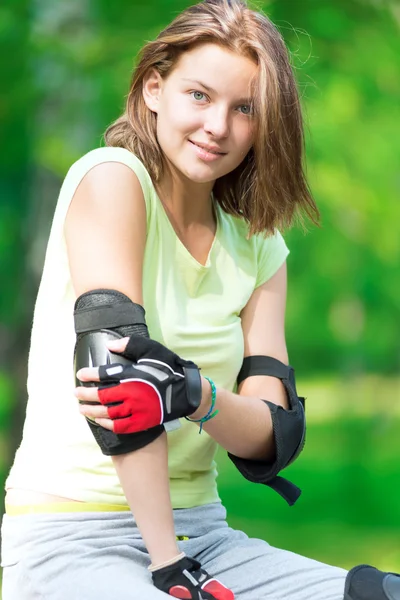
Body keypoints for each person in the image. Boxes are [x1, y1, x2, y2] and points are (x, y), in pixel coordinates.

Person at [1, 1, 399, 599]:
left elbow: (274, 435)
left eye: (245, 109)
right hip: (71, 537)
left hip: (206, 537)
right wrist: (166, 565)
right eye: (199, 96)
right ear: (154, 89)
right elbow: (116, 380)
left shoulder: (259, 244)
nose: (219, 125)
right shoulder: (111, 178)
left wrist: (195, 394)